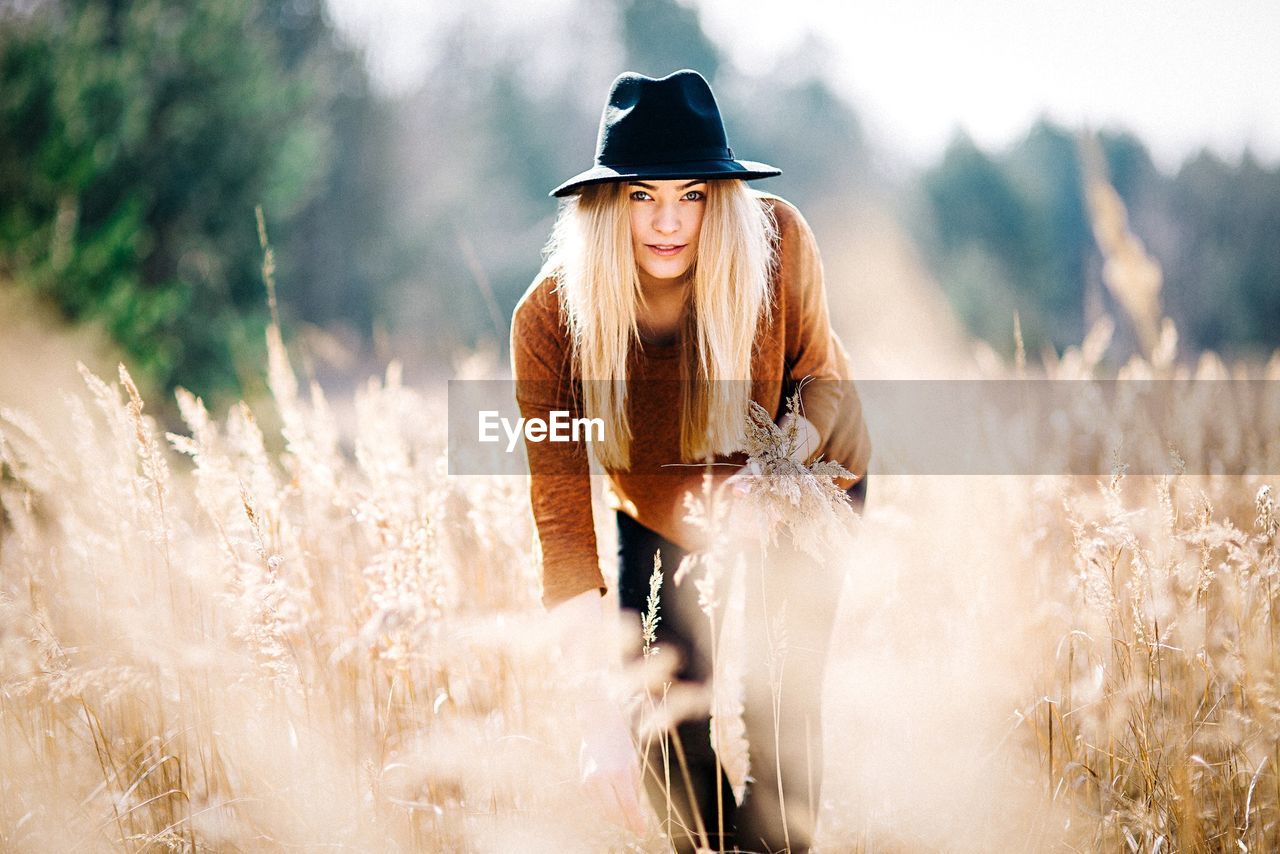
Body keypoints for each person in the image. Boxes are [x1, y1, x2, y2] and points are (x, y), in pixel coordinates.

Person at [510, 69, 871, 853]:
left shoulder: (777, 243)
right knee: (662, 725)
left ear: (721, 194)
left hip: (805, 481)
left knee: (779, 706)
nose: (669, 222)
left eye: (693, 194)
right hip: (661, 503)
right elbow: (565, 534)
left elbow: (823, 384)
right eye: (643, 195)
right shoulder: (548, 322)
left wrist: (773, 477)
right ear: (607, 203)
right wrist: (594, 719)